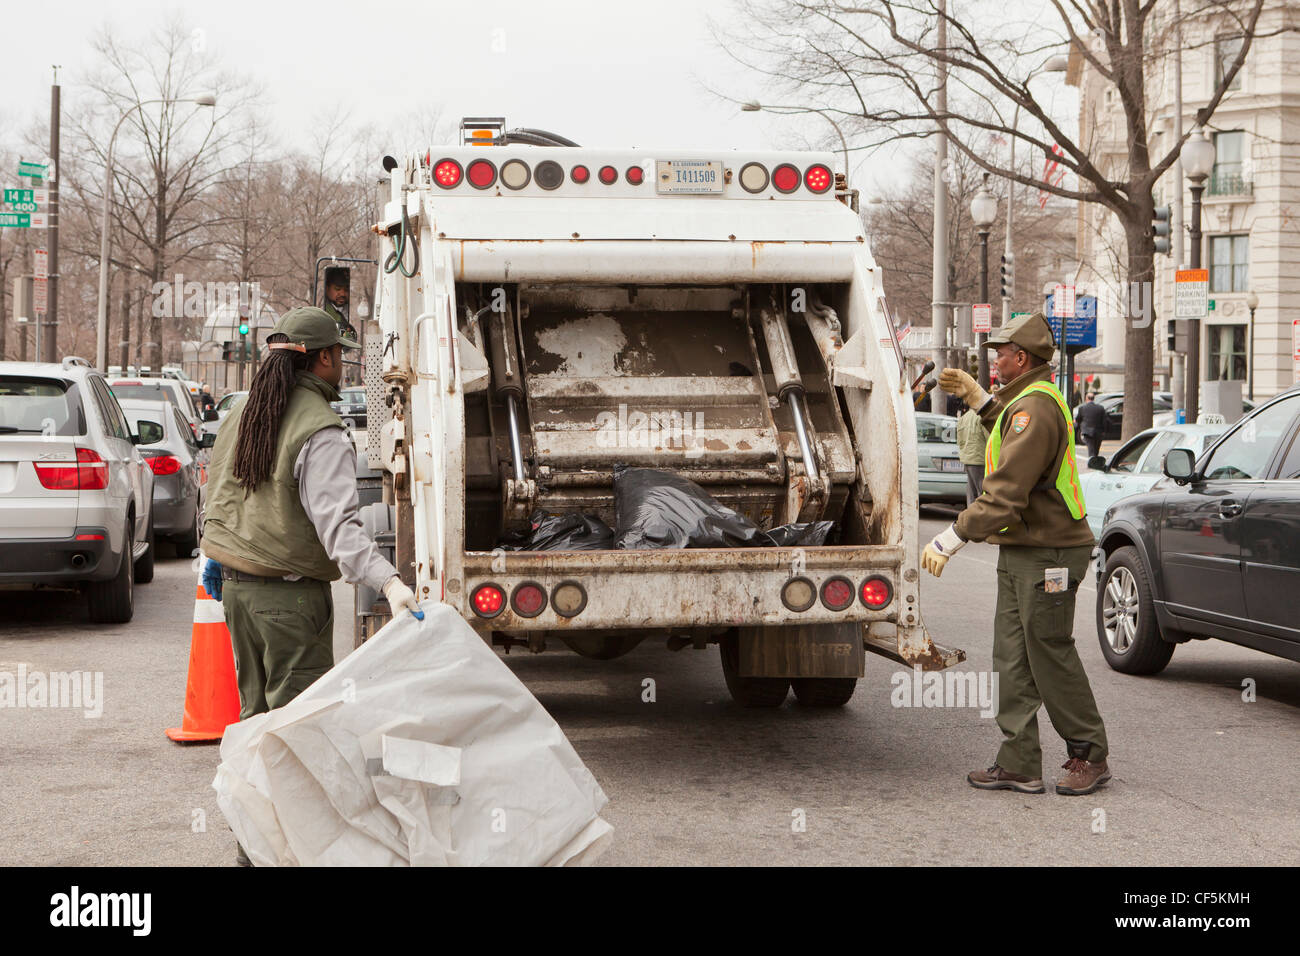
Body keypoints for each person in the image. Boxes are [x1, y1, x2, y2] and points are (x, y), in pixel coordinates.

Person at [199, 307, 421, 865]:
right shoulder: (318, 428)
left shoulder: (244, 410)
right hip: (290, 600)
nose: (343, 364)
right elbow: (339, 527)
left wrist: (216, 558)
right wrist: (389, 582)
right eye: (340, 355)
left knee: (257, 728)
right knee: (296, 743)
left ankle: (254, 848)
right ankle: (270, 854)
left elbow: (219, 492)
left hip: (236, 592)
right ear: (321, 358)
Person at [924, 311, 1111, 798]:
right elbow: (1013, 437)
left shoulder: (1037, 408)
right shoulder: (1026, 404)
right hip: (1026, 548)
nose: (995, 361)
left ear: (1022, 358)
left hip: (1050, 552)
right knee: (1011, 656)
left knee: (1048, 651)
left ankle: (1090, 754)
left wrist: (953, 536)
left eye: (1000, 354)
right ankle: (1019, 762)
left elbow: (1007, 490)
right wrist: (981, 401)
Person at [956, 407, 989, 506]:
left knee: (971, 492)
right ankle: (980, 517)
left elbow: (959, 441)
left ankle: (970, 516)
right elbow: (989, 438)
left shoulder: (963, 418)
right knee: (982, 492)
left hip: (967, 458)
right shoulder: (982, 417)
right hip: (979, 458)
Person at [1076, 391, 1106, 460]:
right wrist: (1104, 431)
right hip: (1098, 432)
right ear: (1093, 399)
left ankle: (1092, 461)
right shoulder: (1100, 408)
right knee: (1096, 450)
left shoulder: (1082, 408)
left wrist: (1081, 426)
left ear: (1086, 398)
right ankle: (1094, 460)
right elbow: (1104, 421)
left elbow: (1078, 419)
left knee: (1091, 448)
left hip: (1087, 432)